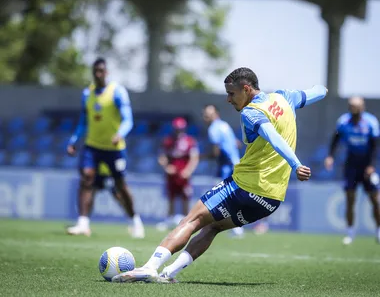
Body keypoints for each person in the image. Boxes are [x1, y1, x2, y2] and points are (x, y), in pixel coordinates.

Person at [112, 67, 327, 283]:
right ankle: (170, 273)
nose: (228, 99)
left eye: (231, 93)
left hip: (244, 187)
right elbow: (318, 91)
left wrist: (296, 164)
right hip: (271, 199)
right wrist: (323, 89)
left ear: (246, 88)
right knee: (213, 226)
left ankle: (150, 267)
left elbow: (272, 136)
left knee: (192, 219)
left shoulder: (251, 112)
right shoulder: (285, 98)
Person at [66, 57, 145, 238]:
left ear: (106, 72)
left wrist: (120, 134)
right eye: (95, 71)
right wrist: (73, 141)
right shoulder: (87, 93)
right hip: (92, 146)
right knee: (86, 179)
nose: (98, 74)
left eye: (101, 71)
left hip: (114, 149)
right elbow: (83, 122)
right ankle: (83, 223)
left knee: (120, 185)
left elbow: (128, 119)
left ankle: (135, 220)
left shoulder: (117, 92)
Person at [324, 96, 380, 245]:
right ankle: (349, 233)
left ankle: (378, 230)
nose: (353, 108)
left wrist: (371, 166)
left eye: (356, 106)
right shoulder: (343, 121)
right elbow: (335, 140)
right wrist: (330, 156)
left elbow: (375, 146)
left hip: (367, 164)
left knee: (375, 200)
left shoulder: (371, 122)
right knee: (350, 198)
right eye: (351, 106)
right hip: (351, 164)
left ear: (362, 107)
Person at [202, 104, 244, 238]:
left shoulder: (213, 129)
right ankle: (234, 227)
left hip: (226, 166)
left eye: (209, 114)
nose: (206, 117)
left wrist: (201, 156)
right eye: (205, 115)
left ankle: (232, 227)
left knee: (221, 198)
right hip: (236, 164)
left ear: (216, 114)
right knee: (231, 197)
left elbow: (216, 151)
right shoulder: (225, 125)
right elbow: (237, 143)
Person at [157, 117, 200, 230]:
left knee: (185, 197)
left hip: (184, 173)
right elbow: (162, 157)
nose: (178, 131)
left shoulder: (190, 141)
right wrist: (166, 167)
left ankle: (186, 221)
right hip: (172, 174)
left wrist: (188, 171)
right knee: (171, 196)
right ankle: (169, 219)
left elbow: (194, 158)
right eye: (176, 129)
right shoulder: (168, 141)